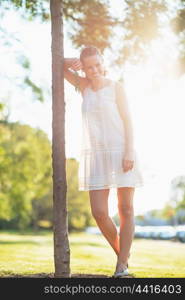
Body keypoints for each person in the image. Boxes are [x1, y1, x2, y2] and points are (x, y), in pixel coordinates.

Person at [64, 46, 144, 278]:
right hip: (97, 156)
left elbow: (129, 121)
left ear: (103, 63)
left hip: (121, 152)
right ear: (85, 69)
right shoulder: (83, 87)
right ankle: (124, 258)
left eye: (97, 64)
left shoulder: (116, 88)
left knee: (126, 209)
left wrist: (129, 151)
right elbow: (57, 66)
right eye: (89, 67)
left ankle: (121, 267)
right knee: (99, 212)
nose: (95, 70)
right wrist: (71, 60)